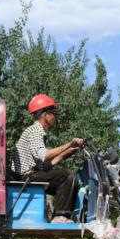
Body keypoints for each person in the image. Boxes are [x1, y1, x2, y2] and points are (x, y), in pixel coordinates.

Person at [15, 94, 83, 223]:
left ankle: (66, 216)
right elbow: (44, 155)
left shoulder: (38, 132)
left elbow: (46, 165)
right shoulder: (35, 131)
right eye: (54, 114)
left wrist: (67, 153)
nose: (56, 118)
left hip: (33, 174)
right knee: (67, 175)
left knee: (71, 181)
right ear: (46, 115)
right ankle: (59, 216)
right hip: (27, 177)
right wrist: (70, 144)